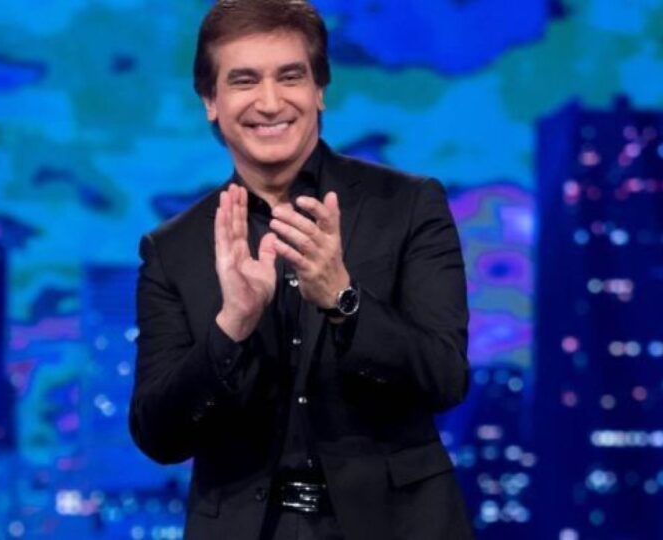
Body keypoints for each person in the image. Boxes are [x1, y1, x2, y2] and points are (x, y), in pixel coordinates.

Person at [128, 1, 473, 538]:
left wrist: (344, 301)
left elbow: (446, 378)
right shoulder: (173, 249)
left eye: (290, 77)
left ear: (319, 90)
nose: (270, 103)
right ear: (211, 101)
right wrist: (231, 328)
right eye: (244, 81)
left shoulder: (408, 206)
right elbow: (158, 435)